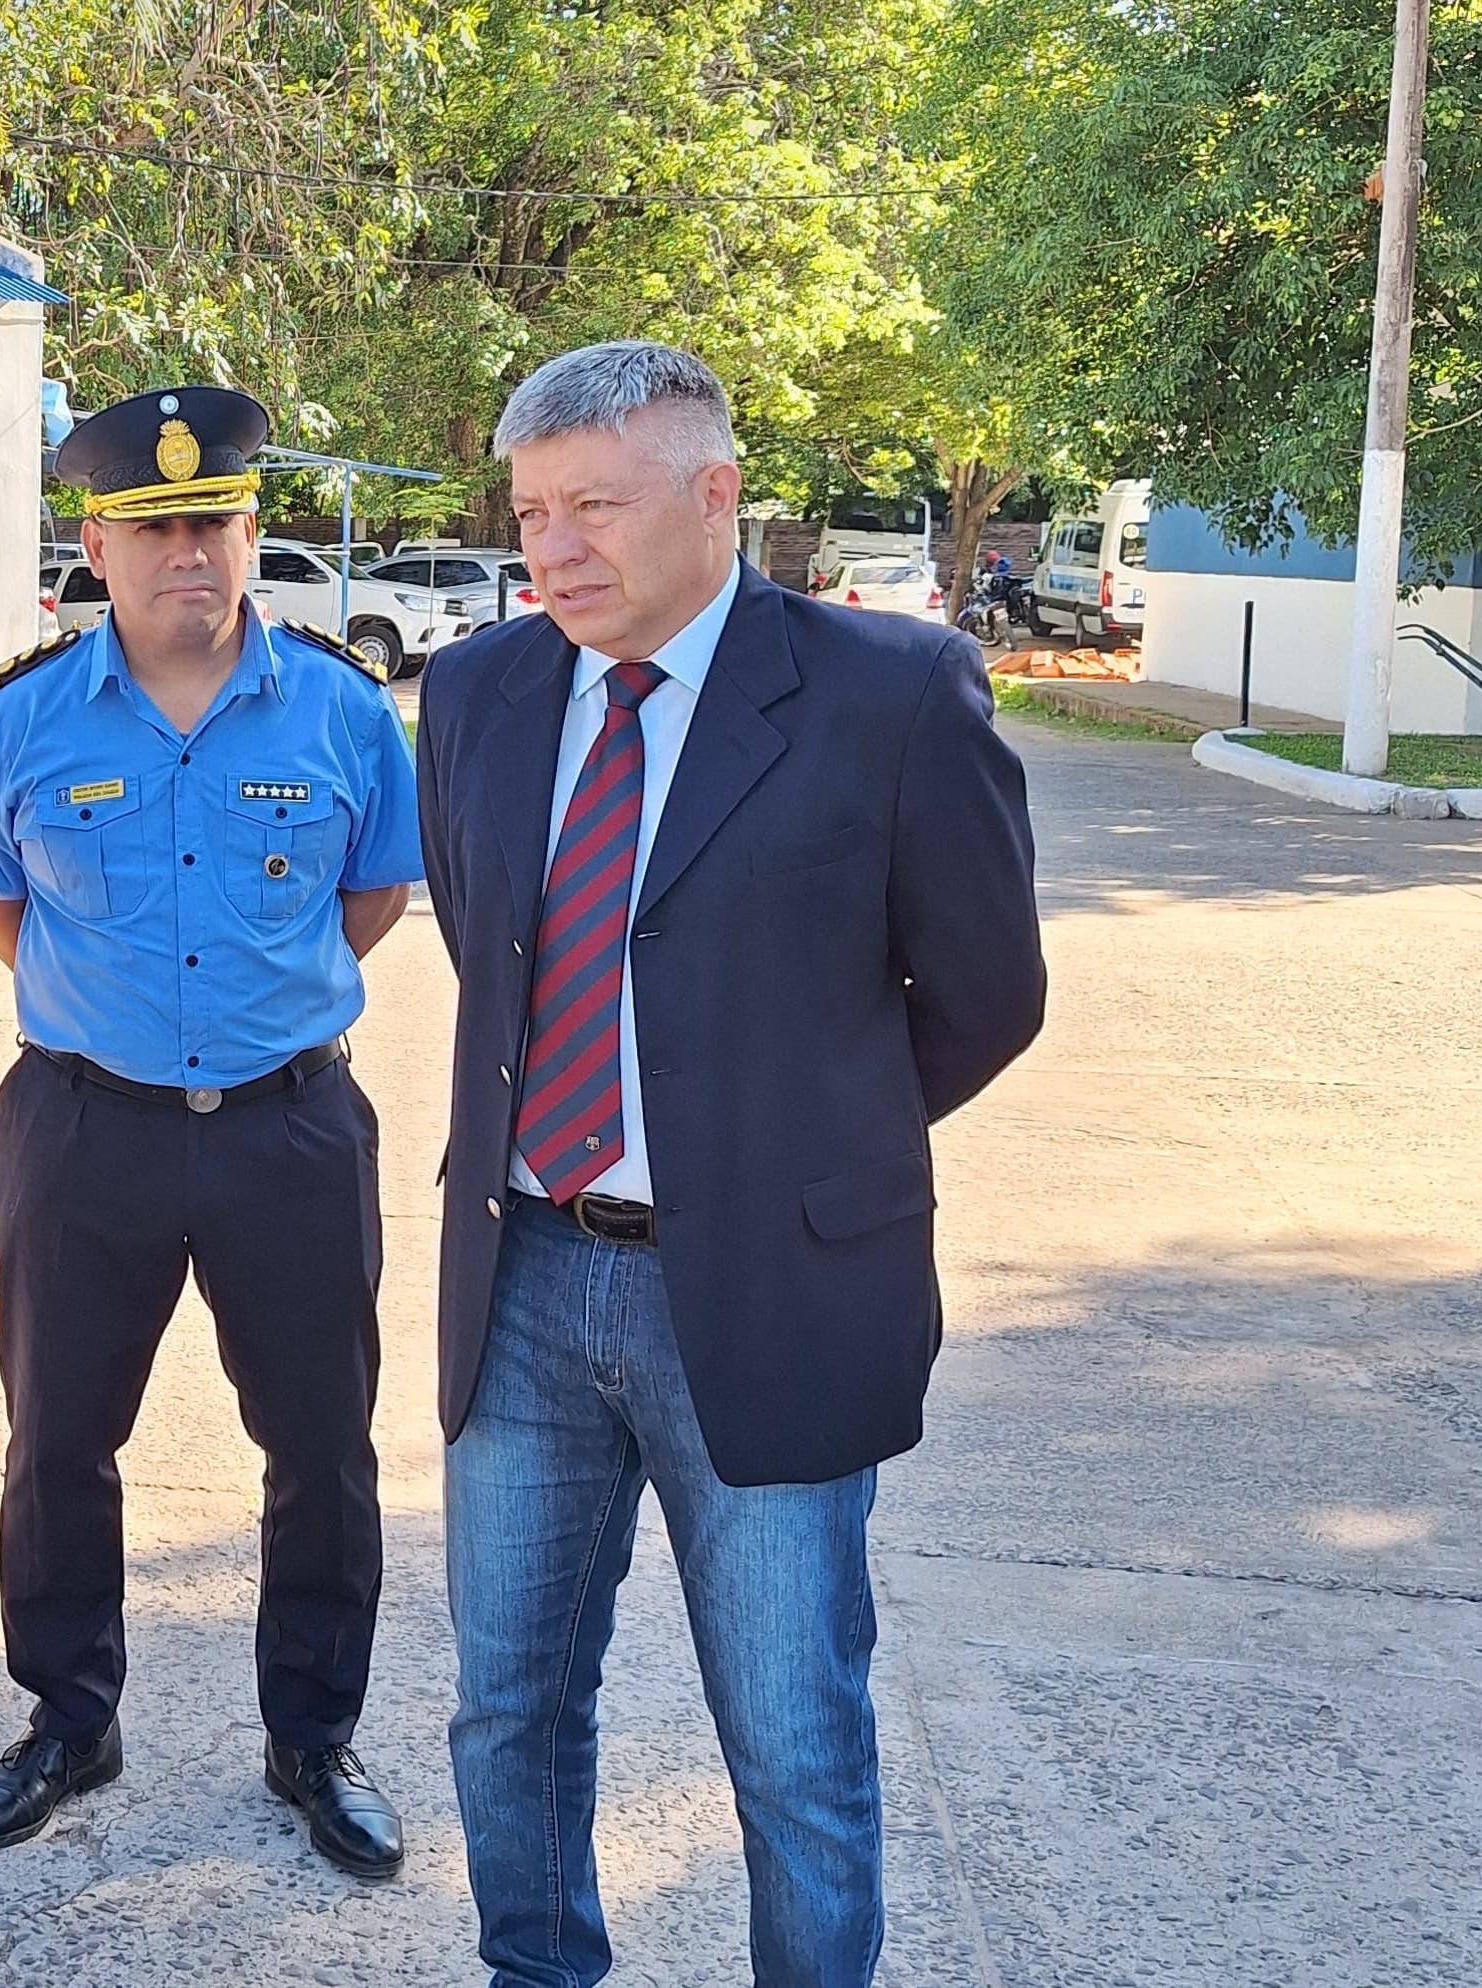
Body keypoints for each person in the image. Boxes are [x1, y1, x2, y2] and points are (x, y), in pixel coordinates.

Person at [415, 341, 1045, 1987]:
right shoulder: (481, 693)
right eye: (531, 509)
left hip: (764, 1292)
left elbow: (985, 994)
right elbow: (494, 958)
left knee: (792, 1736)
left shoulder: (891, 694)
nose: (551, 548)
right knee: (510, 1702)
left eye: (593, 506)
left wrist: (798, 1151)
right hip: (526, 1272)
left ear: (715, 495)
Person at [0, 386, 421, 1881]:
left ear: (252, 530)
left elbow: (372, 899)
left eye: (211, 523)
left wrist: (248, 1012)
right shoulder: (21, 719)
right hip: (86, 1131)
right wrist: (118, 1018)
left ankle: (314, 1738)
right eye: (152, 530)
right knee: (59, 1442)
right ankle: (71, 1721)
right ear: (95, 545)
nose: (186, 555)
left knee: (323, 1449)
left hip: (290, 1127)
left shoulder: (342, 710)